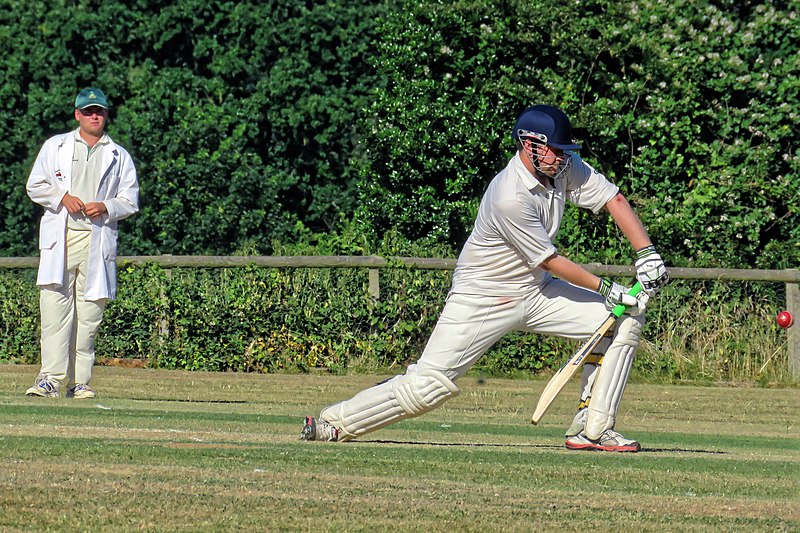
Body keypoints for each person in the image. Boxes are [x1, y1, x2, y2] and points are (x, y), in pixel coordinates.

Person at [300, 104, 668, 452]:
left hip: (536, 292)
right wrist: (608, 288)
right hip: (484, 296)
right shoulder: (508, 195)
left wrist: (646, 254)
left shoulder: (563, 167)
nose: (562, 157)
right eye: (555, 150)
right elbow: (550, 261)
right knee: (428, 388)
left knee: (623, 321)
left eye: (564, 150)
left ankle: (594, 428)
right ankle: (334, 423)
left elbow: (613, 200)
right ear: (530, 145)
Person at [25, 87, 139, 399]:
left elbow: (130, 200)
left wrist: (106, 207)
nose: (94, 116)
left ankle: (80, 383)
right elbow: (35, 185)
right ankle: (50, 379)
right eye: (88, 111)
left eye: (99, 111)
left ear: (105, 115)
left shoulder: (118, 155)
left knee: (89, 316)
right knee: (54, 312)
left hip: (96, 239)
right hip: (60, 239)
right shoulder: (56, 146)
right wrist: (63, 197)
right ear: (77, 114)